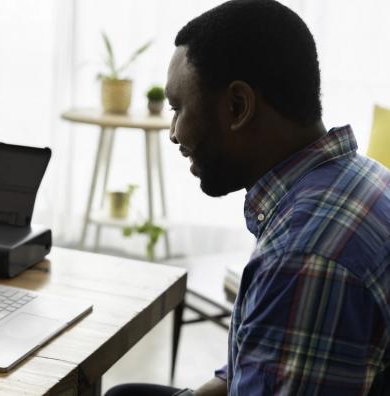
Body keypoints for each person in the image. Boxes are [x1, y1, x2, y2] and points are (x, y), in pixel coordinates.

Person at [105, 0, 390, 395]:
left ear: (238, 107)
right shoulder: (361, 178)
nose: (173, 132)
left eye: (179, 108)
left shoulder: (304, 257)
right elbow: (266, 363)